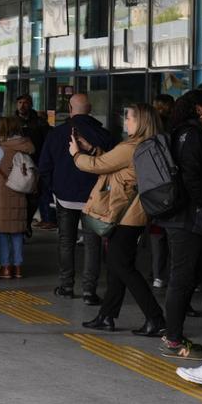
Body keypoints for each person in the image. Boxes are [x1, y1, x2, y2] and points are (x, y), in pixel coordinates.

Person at [75, 103, 165, 335]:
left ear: (141, 121)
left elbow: (98, 167)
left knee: (122, 266)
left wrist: (77, 155)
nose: (125, 122)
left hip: (126, 215)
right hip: (134, 213)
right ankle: (107, 316)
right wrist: (93, 149)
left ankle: (155, 318)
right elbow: (116, 166)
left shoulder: (132, 146)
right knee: (116, 267)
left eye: (129, 118)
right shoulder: (150, 144)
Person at [38, 93, 115, 303]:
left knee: (66, 242)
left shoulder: (56, 134)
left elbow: (44, 166)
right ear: (89, 109)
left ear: (70, 109)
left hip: (64, 197)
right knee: (93, 243)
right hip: (94, 198)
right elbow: (113, 165)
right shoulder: (104, 135)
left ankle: (66, 286)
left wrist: (54, 189)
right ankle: (89, 291)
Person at [154, 91, 202, 359]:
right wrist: (201, 204)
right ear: (200, 109)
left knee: (186, 276)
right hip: (186, 217)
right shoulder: (192, 135)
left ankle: (173, 334)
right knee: (181, 278)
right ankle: (173, 339)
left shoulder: (181, 132)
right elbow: (191, 175)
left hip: (181, 216)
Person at [0, 116, 34, 279]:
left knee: (2, 231)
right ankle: (18, 267)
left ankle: (6, 267)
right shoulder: (25, 146)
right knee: (17, 230)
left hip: (1, 194)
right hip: (19, 192)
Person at [146, 93, 177, 288]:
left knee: (157, 235)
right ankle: (173, 274)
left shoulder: (150, 132)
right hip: (172, 187)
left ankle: (157, 274)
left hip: (154, 188)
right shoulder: (177, 129)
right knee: (174, 237)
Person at [16, 95, 52, 230]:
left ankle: (32, 221)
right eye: (19, 102)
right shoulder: (13, 121)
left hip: (37, 161)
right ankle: (23, 224)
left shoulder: (38, 121)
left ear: (31, 105)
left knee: (36, 194)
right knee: (21, 194)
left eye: (25, 103)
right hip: (19, 163)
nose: (22, 105)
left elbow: (48, 138)